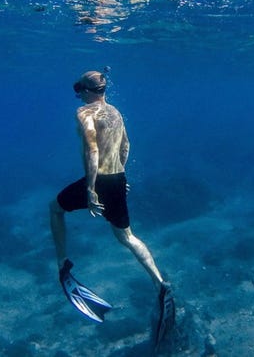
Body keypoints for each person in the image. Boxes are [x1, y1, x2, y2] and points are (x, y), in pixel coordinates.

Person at [49, 70, 174, 332]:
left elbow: (92, 150)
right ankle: (160, 284)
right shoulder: (115, 112)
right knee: (127, 237)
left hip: (99, 180)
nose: (78, 94)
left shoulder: (85, 113)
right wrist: (121, 174)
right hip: (117, 179)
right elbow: (126, 145)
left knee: (55, 208)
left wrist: (91, 189)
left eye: (79, 89)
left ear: (87, 91)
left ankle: (63, 264)